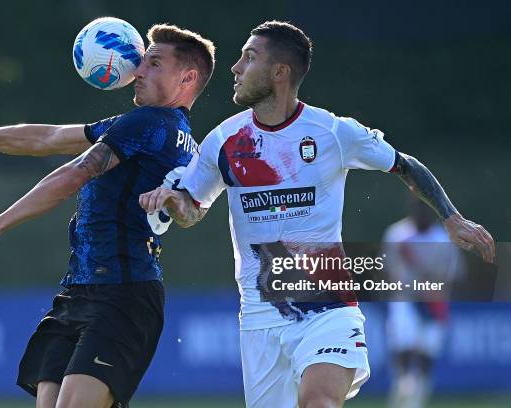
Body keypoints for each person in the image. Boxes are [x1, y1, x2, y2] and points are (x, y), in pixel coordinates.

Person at [139, 20, 495, 408]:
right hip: (260, 318)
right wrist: (175, 203)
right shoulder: (224, 141)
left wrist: (451, 218)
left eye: (248, 57)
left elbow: (404, 165)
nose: (235, 68)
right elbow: (193, 211)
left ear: (279, 72)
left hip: (328, 308)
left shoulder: (332, 132)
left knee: (318, 402)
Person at [0, 24, 215, 408]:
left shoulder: (151, 123)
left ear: (187, 78)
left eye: (153, 64)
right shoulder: (155, 128)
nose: (137, 72)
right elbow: (50, 137)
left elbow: (74, 173)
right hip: (82, 290)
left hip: (122, 295)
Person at [383, 199, 464, 408]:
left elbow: (454, 274)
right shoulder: (397, 234)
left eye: (425, 210)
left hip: (433, 302)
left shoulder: (443, 239)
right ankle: (401, 390)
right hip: (405, 299)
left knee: (428, 352)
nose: (420, 214)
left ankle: (418, 398)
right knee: (404, 345)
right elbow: (388, 269)